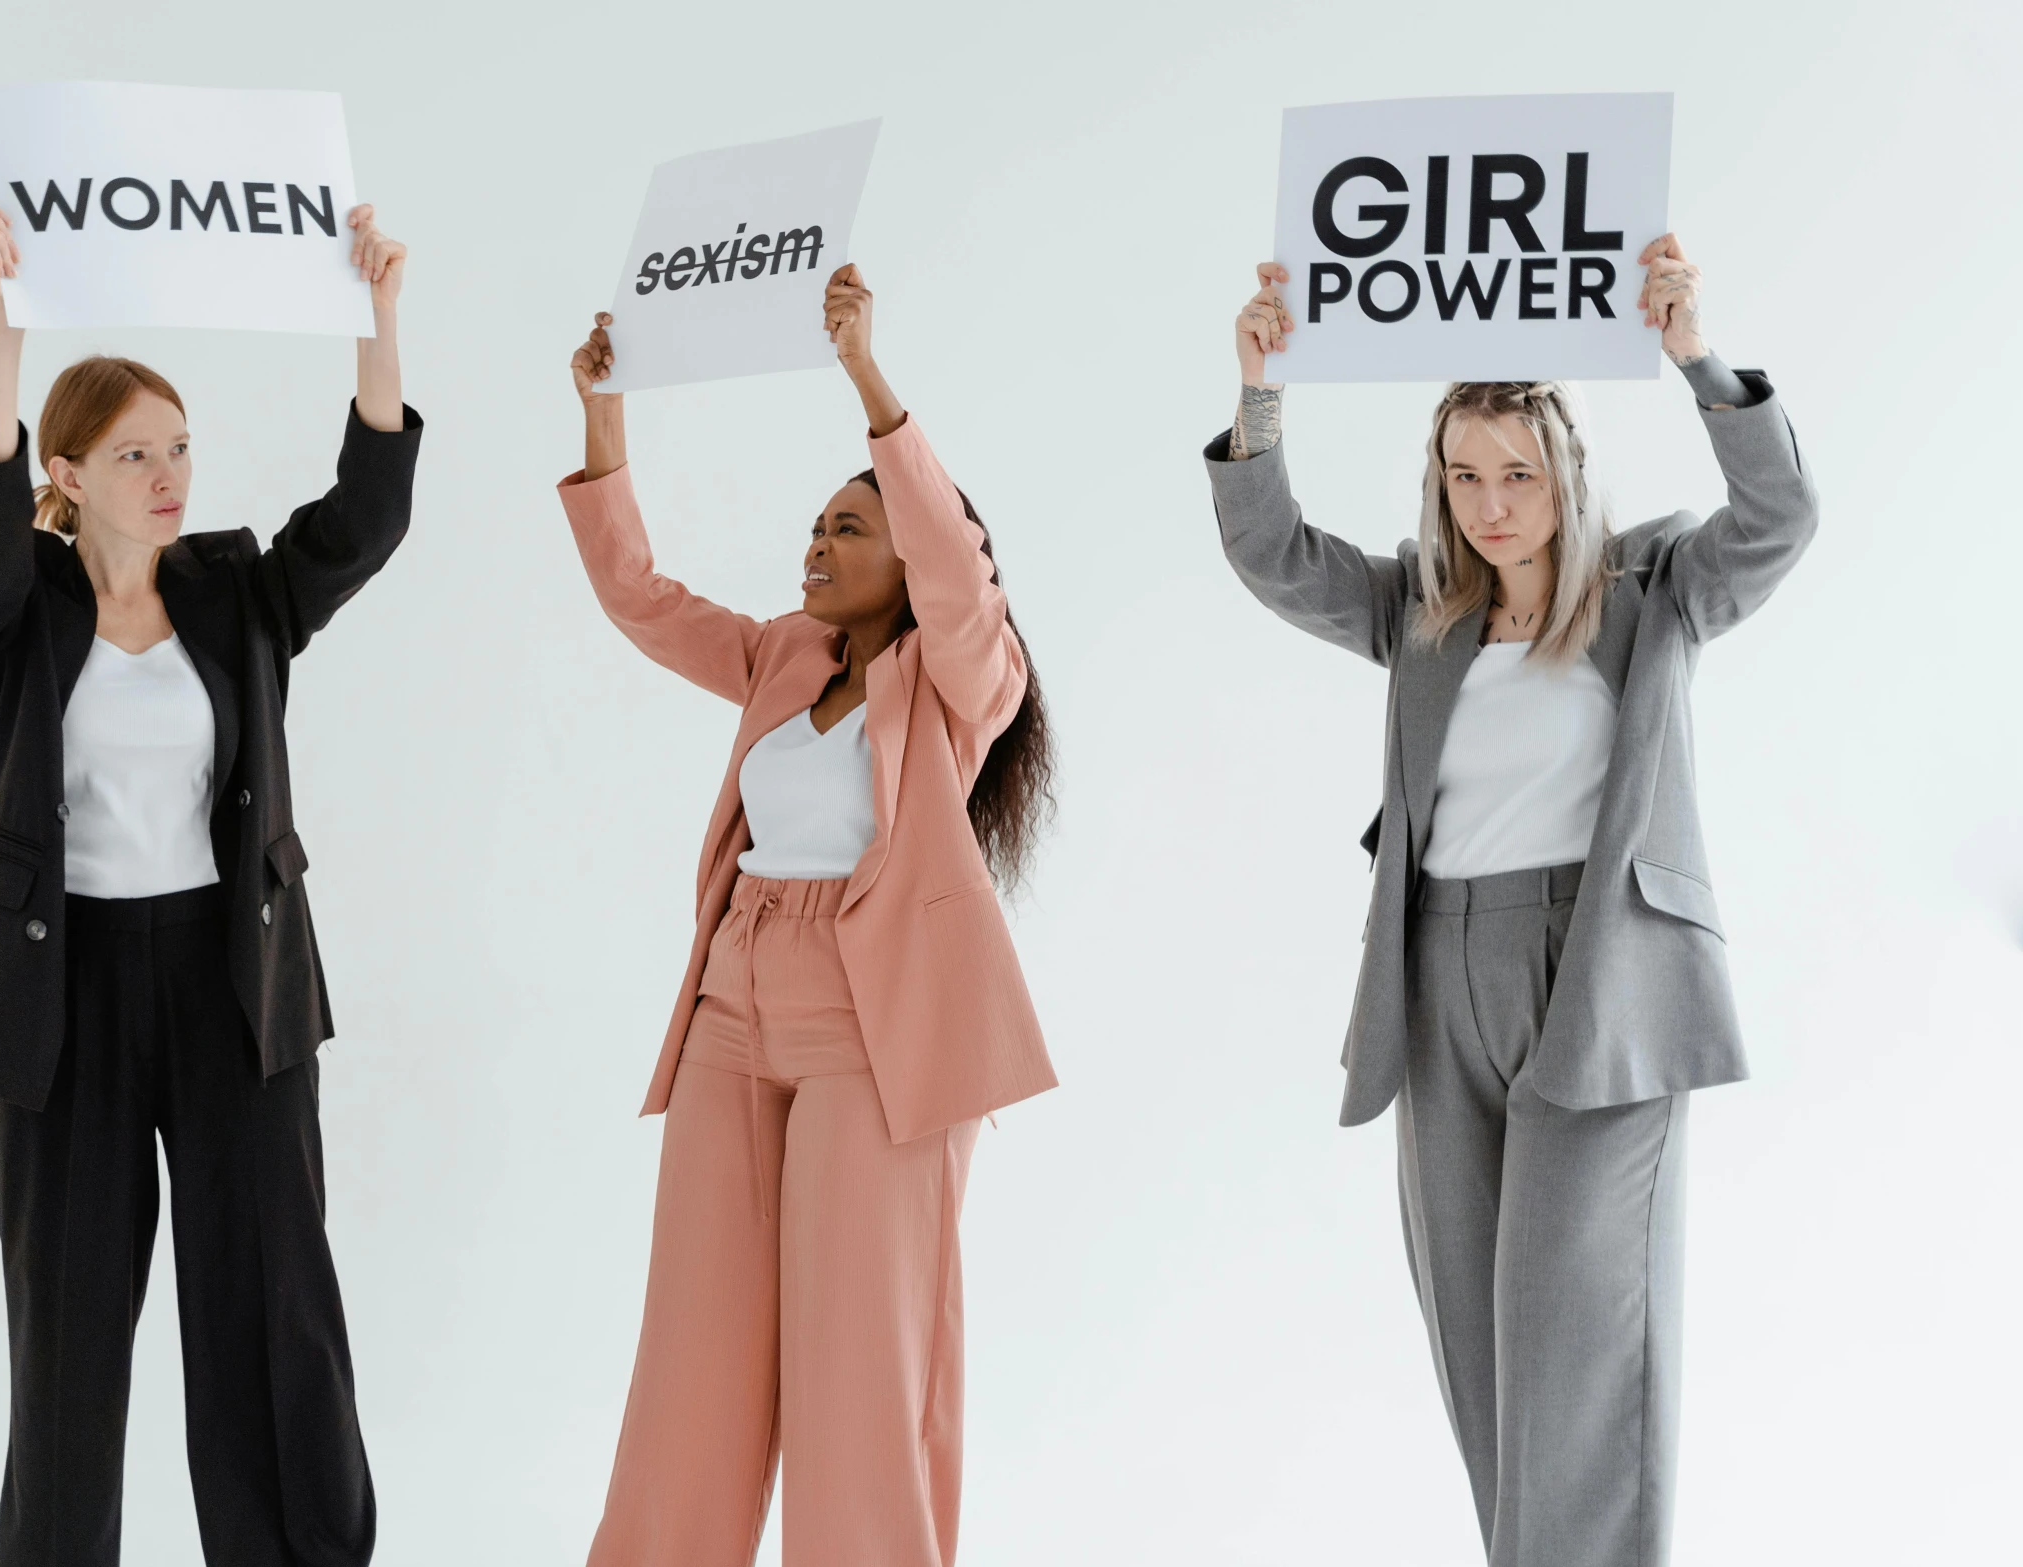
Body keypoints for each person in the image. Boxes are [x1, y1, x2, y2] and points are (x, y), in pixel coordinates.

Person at [1207, 237, 1817, 1567]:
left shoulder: (1652, 591)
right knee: (1486, 1362)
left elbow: (1777, 520)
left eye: (1518, 474)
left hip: (1595, 980)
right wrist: (1261, 396)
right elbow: (1268, 554)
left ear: (1565, 472)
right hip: (1435, 987)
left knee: (1576, 1346)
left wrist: (1692, 358)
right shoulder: (1414, 611)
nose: (1491, 505)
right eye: (1464, 476)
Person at [0, 200, 421, 1567]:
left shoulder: (237, 590)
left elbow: (366, 522)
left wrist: (375, 317)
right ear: (70, 472)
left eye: (181, 445)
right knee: (69, 1337)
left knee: (274, 1308)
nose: (169, 472)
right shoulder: (18, 606)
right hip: (60, 994)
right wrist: (4, 334)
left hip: (229, 981)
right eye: (136, 451)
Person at [559, 264, 1057, 1567]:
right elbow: (640, 598)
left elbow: (961, 584)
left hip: (871, 1025)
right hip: (736, 999)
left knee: (853, 1365)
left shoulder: (961, 682)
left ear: (914, 549)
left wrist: (867, 382)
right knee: (696, 1350)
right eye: (816, 525)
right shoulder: (782, 654)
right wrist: (603, 422)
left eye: (849, 527)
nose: (816, 546)